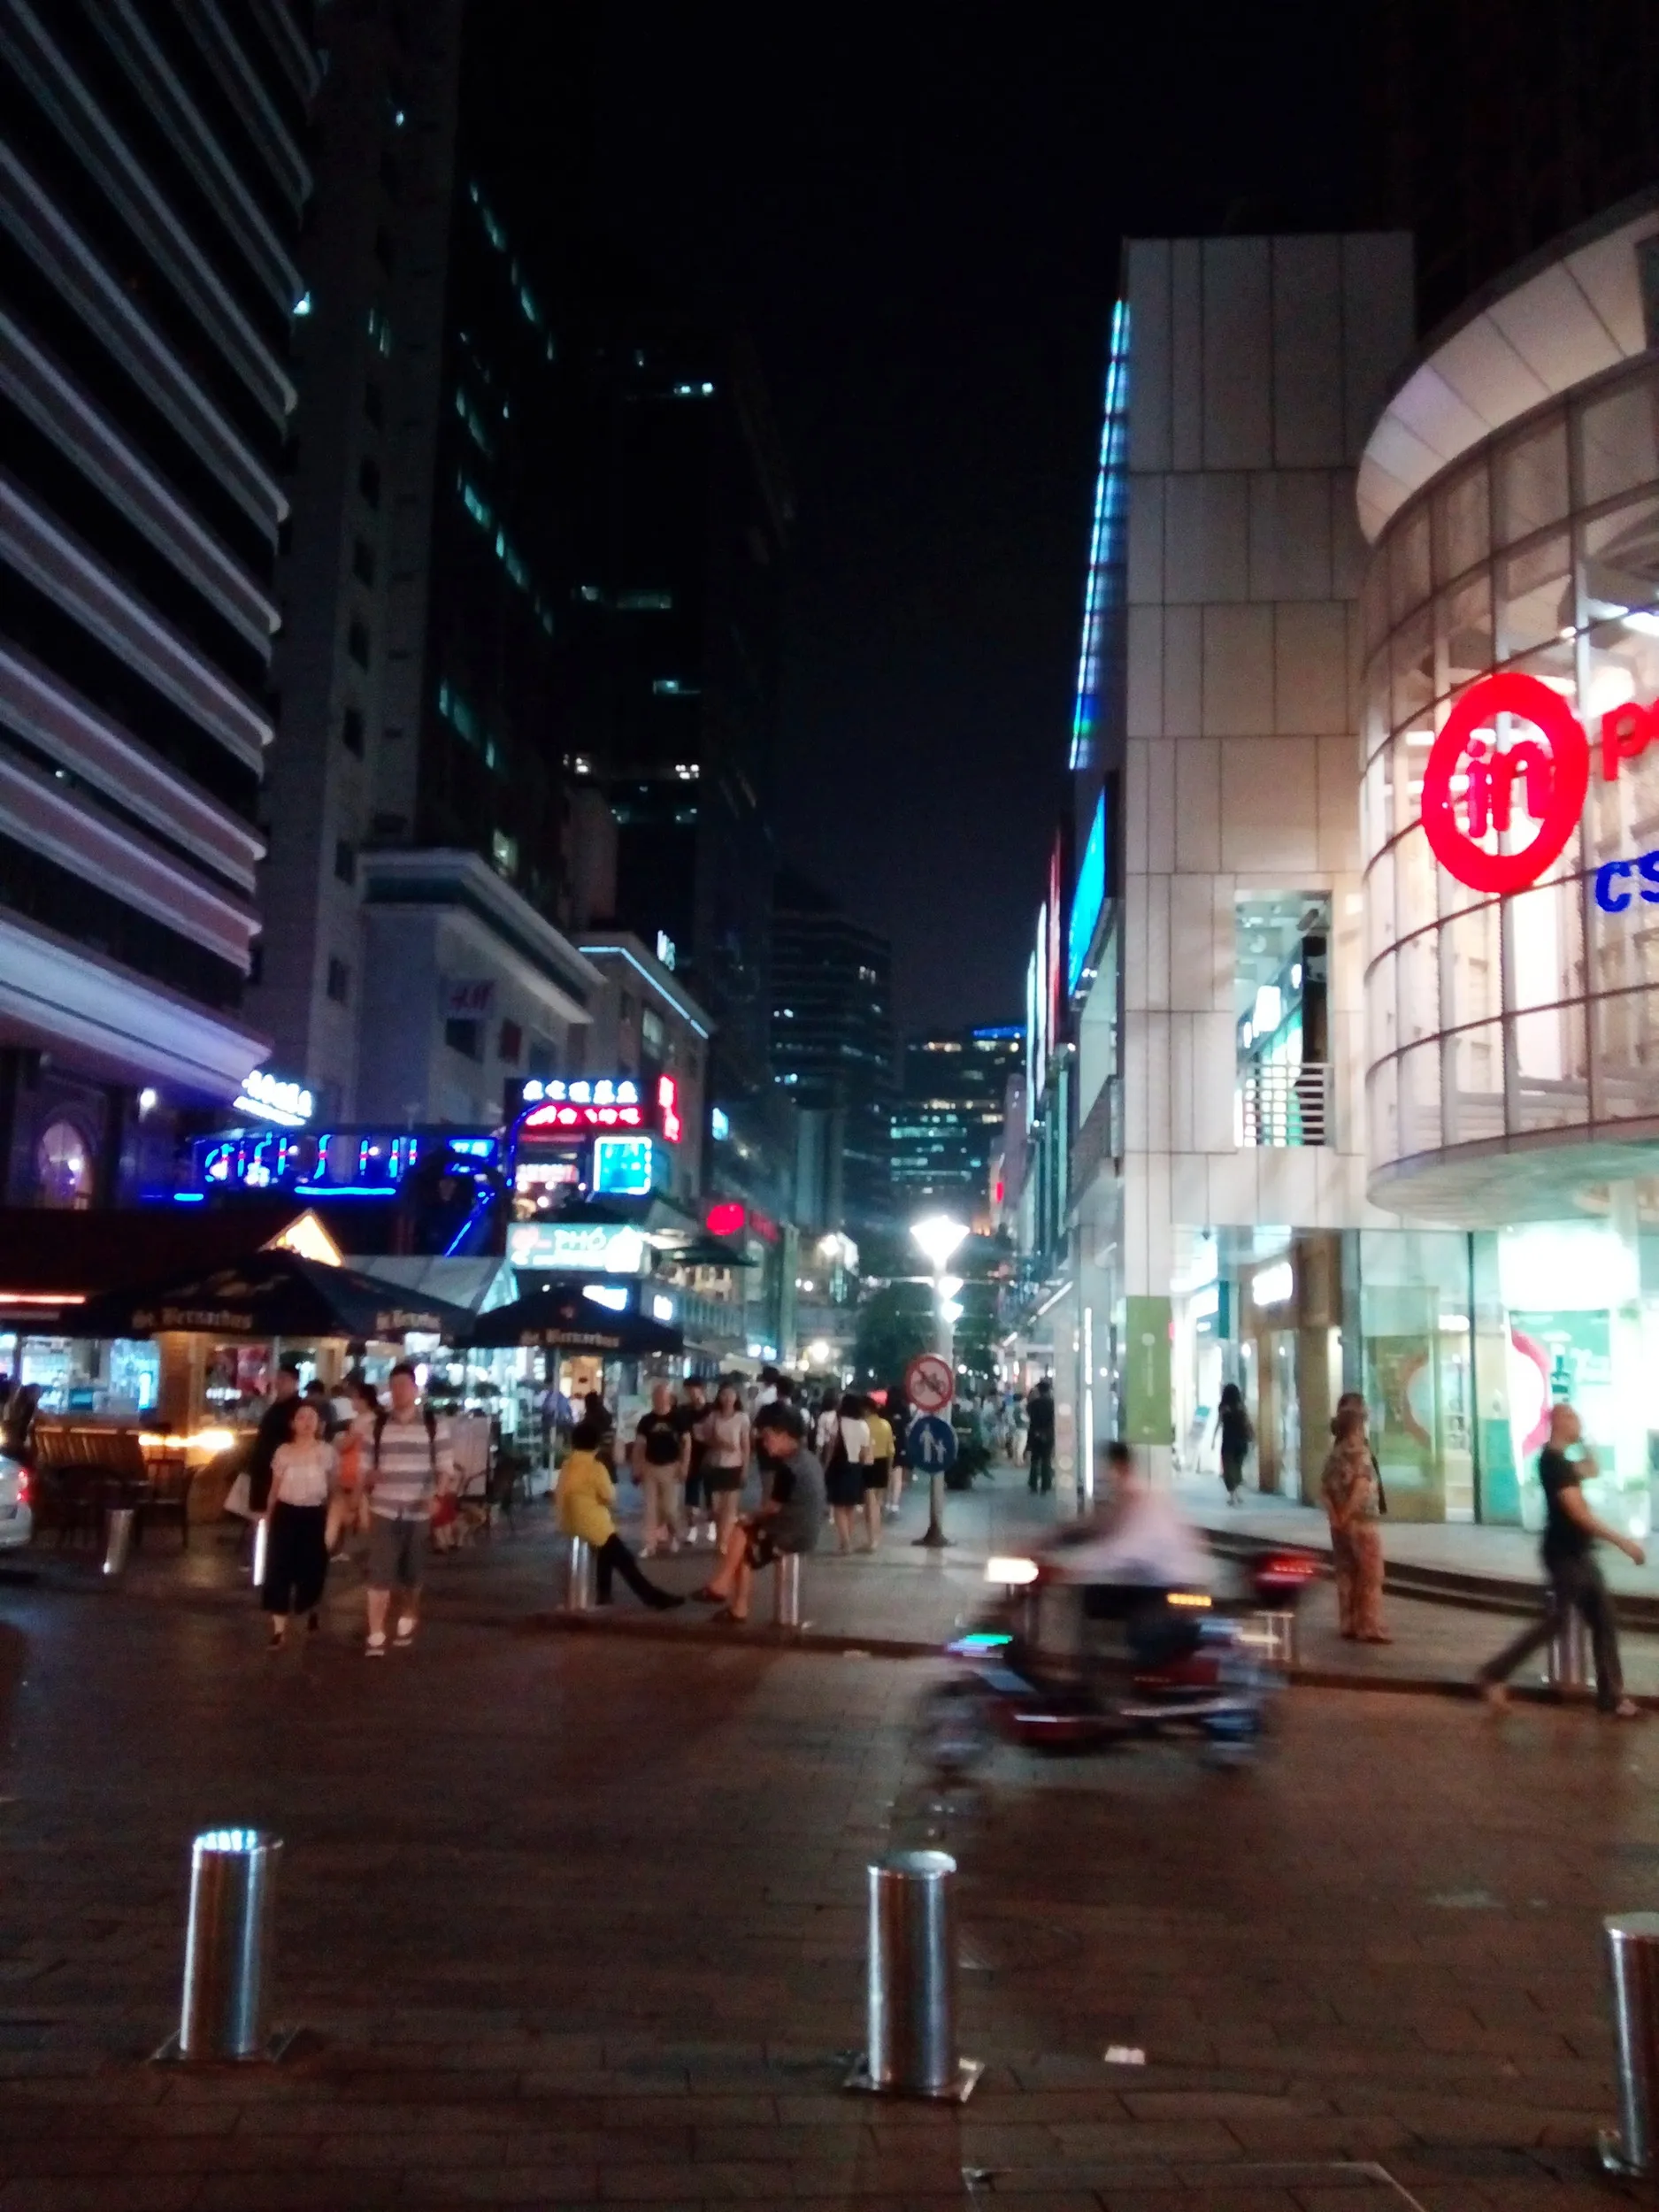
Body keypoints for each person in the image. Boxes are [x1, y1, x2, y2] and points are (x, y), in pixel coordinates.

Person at [1479, 1402, 1643, 1717]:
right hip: (1565, 1555)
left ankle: (1611, 1697)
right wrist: (1622, 1541)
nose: (1580, 1423)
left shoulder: (1562, 1462)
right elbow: (1578, 1513)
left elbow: (1592, 1469)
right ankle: (1493, 1674)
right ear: (1561, 1422)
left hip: (1577, 1553)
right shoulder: (1554, 1463)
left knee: (1604, 1620)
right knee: (1555, 1622)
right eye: (1575, 1419)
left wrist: (1584, 1441)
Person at [695, 1402, 825, 1624]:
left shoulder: (788, 1468)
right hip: (803, 1527)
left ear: (783, 1434)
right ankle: (728, 1595)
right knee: (743, 1538)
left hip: (792, 1534)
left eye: (767, 1437)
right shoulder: (807, 1459)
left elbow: (773, 1507)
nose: (764, 1444)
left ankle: (727, 1593)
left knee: (743, 1536)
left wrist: (751, 1516)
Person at [361, 1360, 453, 1656]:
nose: (399, 1391)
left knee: (412, 1574)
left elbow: (444, 1468)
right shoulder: (375, 1426)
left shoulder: (433, 1425)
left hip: (418, 1510)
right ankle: (375, 1633)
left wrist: (437, 1496)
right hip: (384, 1508)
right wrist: (368, 1477)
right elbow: (362, 1469)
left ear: (415, 1389)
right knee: (379, 1572)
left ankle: (408, 1613)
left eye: (404, 1385)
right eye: (394, 1386)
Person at [556, 1417, 682, 1609]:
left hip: (569, 1521)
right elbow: (610, 1497)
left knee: (607, 1554)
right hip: (594, 1524)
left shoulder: (567, 1465)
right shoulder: (596, 1468)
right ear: (596, 1444)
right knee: (625, 1560)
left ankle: (604, 1595)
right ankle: (653, 1598)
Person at [260, 1397, 334, 1647]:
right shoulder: (283, 1452)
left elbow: (334, 1489)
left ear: (319, 1424)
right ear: (292, 1423)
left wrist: (335, 1519)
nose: (307, 1422)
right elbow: (275, 1488)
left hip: (314, 1514)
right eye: (301, 1417)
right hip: (286, 1513)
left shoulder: (325, 1452)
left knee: (313, 1567)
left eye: (312, 1418)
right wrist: (269, 1516)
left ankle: (311, 1607)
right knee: (279, 1568)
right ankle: (279, 1629)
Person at [1320, 1403, 1388, 1641]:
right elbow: (1361, 1487)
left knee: (1346, 1573)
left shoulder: (1335, 1454)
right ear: (1359, 1425)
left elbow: (1324, 1490)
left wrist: (1336, 1517)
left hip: (1339, 1526)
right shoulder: (1360, 1452)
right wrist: (1348, 1514)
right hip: (1362, 1523)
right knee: (1370, 1574)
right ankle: (1369, 1625)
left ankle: (1348, 1622)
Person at [632, 1379, 688, 1555]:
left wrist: (684, 1466)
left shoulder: (678, 1419)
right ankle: (650, 1544)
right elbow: (639, 1445)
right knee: (650, 1508)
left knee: (669, 1508)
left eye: (663, 1396)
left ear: (669, 1398)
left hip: (671, 1466)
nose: (659, 1400)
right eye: (656, 1396)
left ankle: (674, 1535)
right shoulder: (646, 1421)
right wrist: (637, 1467)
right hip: (650, 1466)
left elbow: (687, 1444)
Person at [326, 1374, 380, 1553]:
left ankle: (331, 1546)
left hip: (353, 1470)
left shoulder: (362, 1421)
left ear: (364, 1400)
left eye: (355, 1397)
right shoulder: (375, 1419)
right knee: (358, 1508)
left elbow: (345, 1445)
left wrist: (333, 1444)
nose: (352, 1401)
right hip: (364, 1471)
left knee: (343, 1506)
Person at [698, 1379, 750, 1550]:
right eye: (725, 1394)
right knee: (717, 1508)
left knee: (730, 1508)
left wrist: (745, 1467)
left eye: (731, 1394)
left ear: (736, 1397)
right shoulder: (713, 1417)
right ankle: (721, 1537)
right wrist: (718, 1443)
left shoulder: (742, 1418)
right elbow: (703, 1435)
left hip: (734, 1466)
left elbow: (745, 1445)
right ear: (719, 1397)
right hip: (716, 1466)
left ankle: (724, 1541)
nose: (728, 1398)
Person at [247, 1363, 302, 1515]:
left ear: (295, 1382)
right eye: (278, 1378)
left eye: (284, 1379)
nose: (278, 1382)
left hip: (278, 1472)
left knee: (272, 1514)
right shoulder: (277, 1405)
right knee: (260, 1514)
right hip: (263, 1469)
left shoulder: (297, 1408)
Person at [822, 1390, 872, 1552]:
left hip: (839, 1466)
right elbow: (865, 1453)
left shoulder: (839, 1422)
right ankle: (847, 1539)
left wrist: (826, 1465)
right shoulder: (864, 1425)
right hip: (855, 1467)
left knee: (838, 1507)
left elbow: (831, 1446)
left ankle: (845, 1543)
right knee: (850, 1507)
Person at [676, 1378, 712, 1545]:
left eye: (694, 1390)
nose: (691, 1394)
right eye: (688, 1391)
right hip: (692, 1456)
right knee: (691, 1495)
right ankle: (692, 1528)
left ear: (702, 1389)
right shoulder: (683, 1411)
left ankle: (711, 1524)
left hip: (711, 1455)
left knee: (711, 1492)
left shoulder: (712, 1410)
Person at [1213, 1382, 1253, 1506]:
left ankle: (1233, 1496)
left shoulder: (1223, 1408)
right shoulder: (1241, 1407)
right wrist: (1252, 1436)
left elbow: (1219, 1423)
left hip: (1228, 1441)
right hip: (1241, 1442)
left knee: (1228, 1469)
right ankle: (1237, 1495)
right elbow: (1247, 1422)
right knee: (1237, 1468)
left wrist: (1213, 1439)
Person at [864, 1394, 895, 1548]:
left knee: (870, 1504)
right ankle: (877, 1534)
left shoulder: (864, 1425)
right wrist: (889, 1470)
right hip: (883, 1463)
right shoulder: (886, 1425)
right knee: (878, 1502)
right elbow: (891, 1450)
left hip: (868, 1464)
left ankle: (872, 1539)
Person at [1025, 1377, 1056, 1495]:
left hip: (1034, 1433)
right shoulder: (1052, 1403)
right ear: (1048, 1390)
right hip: (1048, 1433)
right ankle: (1045, 1485)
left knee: (1035, 1460)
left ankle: (1033, 1485)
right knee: (1046, 1460)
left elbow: (1030, 1415)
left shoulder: (1033, 1404)